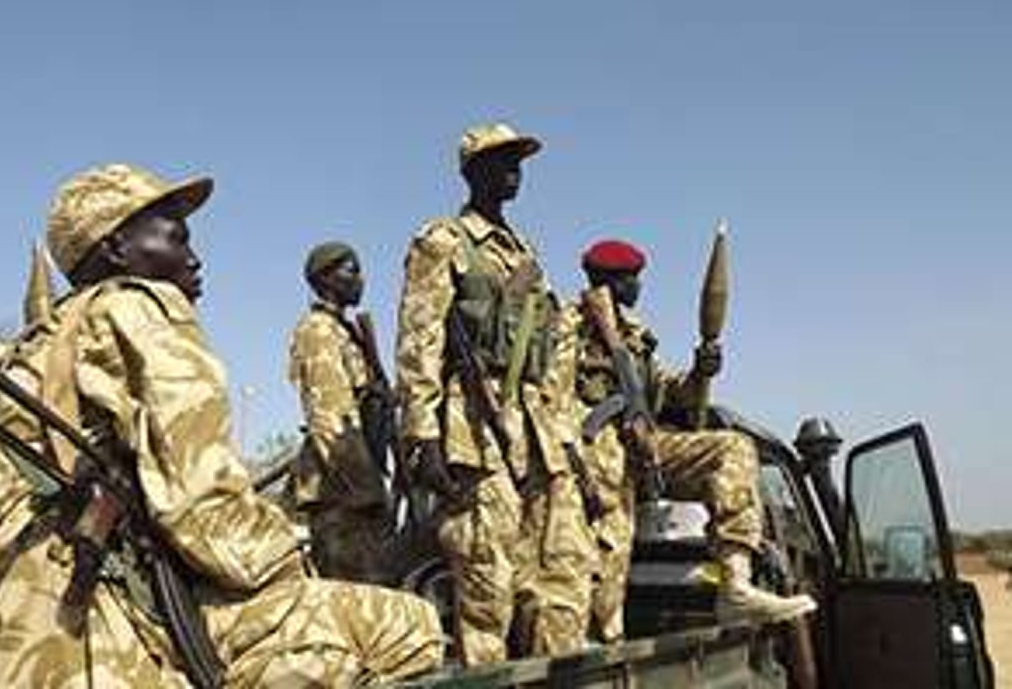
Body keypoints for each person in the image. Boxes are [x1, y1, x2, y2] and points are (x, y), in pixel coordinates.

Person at [0, 163, 444, 687]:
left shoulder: (42, 341)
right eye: (176, 238)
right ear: (118, 250)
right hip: (101, 629)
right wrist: (289, 555)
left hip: (14, 632)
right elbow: (204, 511)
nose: (194, 258)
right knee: (409, 628)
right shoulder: (140, 306)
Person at [395, 123, 595, 665]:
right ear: (471, 172)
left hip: (534, 427)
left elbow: (551, 347)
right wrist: (424, 435)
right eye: (499, 160)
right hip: (475, 427)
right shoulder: (442, 240)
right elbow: (420, 340)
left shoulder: (525, 249)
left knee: (559, 571)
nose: (513, 170)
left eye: (517, 161)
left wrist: (564, 429)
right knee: (487, 580)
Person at [549, 238, 816, 639]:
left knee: (732, 449)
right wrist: (578, 451)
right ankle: (598, 644)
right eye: (631, 279)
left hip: (643, 450)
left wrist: (699, 372)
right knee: (606, 574)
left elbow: (672, 393)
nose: (638, 287)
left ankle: (736, 585)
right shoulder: (568, 324)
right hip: (595, 459)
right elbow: (549, 396)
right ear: (608, 280)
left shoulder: (637, 336)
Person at [287, 241, 394, 583]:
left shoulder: (347, 333)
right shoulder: (318, 330)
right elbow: (330, 417)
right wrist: (368, 490)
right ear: (325, 278)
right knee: (359, 597)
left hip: (355, 490)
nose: (360, 279)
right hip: (341, 494)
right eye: (352, 270)